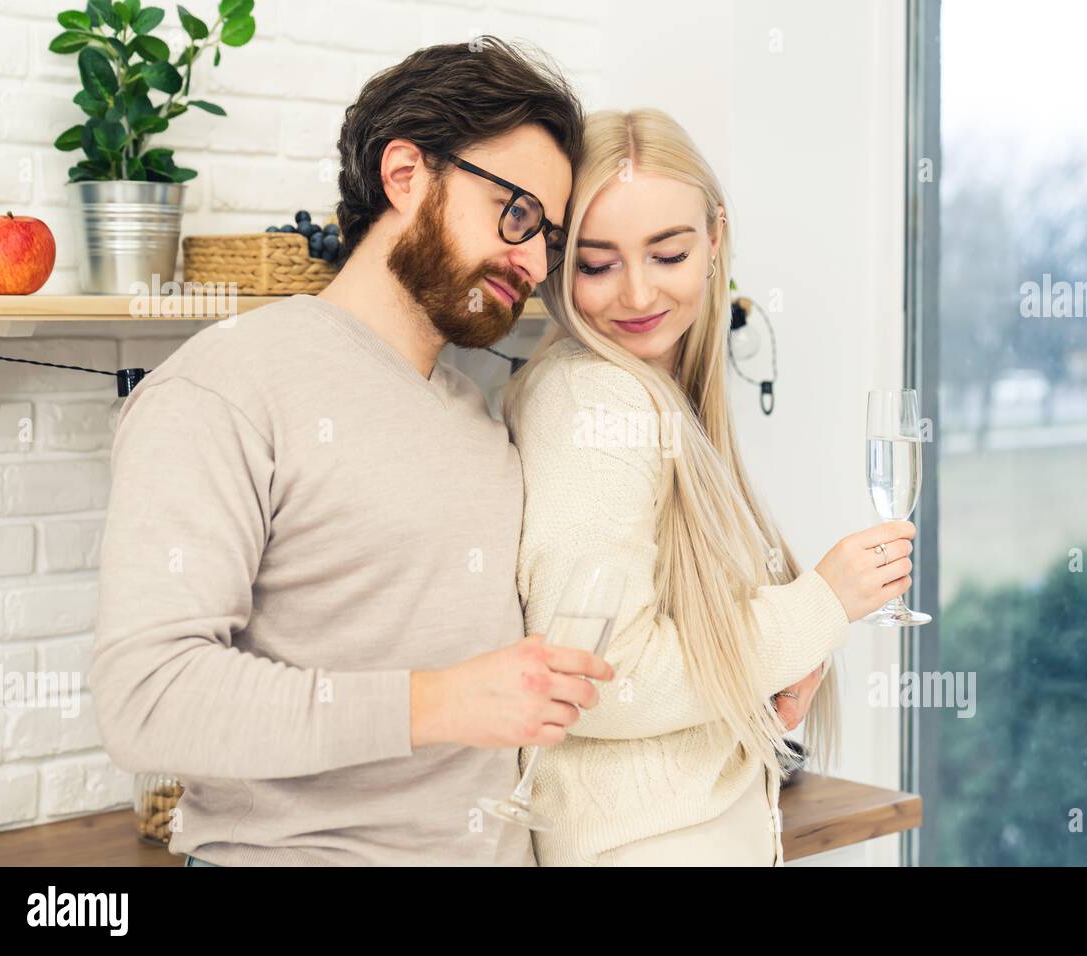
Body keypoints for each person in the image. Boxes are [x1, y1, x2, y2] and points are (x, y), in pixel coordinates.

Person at [90, 36, 609, 866]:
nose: (535, 260)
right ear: (406, 174)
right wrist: (435, 703)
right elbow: (146, 702)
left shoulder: (477, 412)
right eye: (517, 215)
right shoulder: (226, 385)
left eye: (548, 235)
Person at [503, 108, 917, 866]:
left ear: (715, 239)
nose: (636, 294)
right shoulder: (594, 403)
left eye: (667, 254)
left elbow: (676, 628)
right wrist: (820, 605)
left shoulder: (656, 395)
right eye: (596, 264)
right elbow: (601, 677)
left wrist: (782, 663)